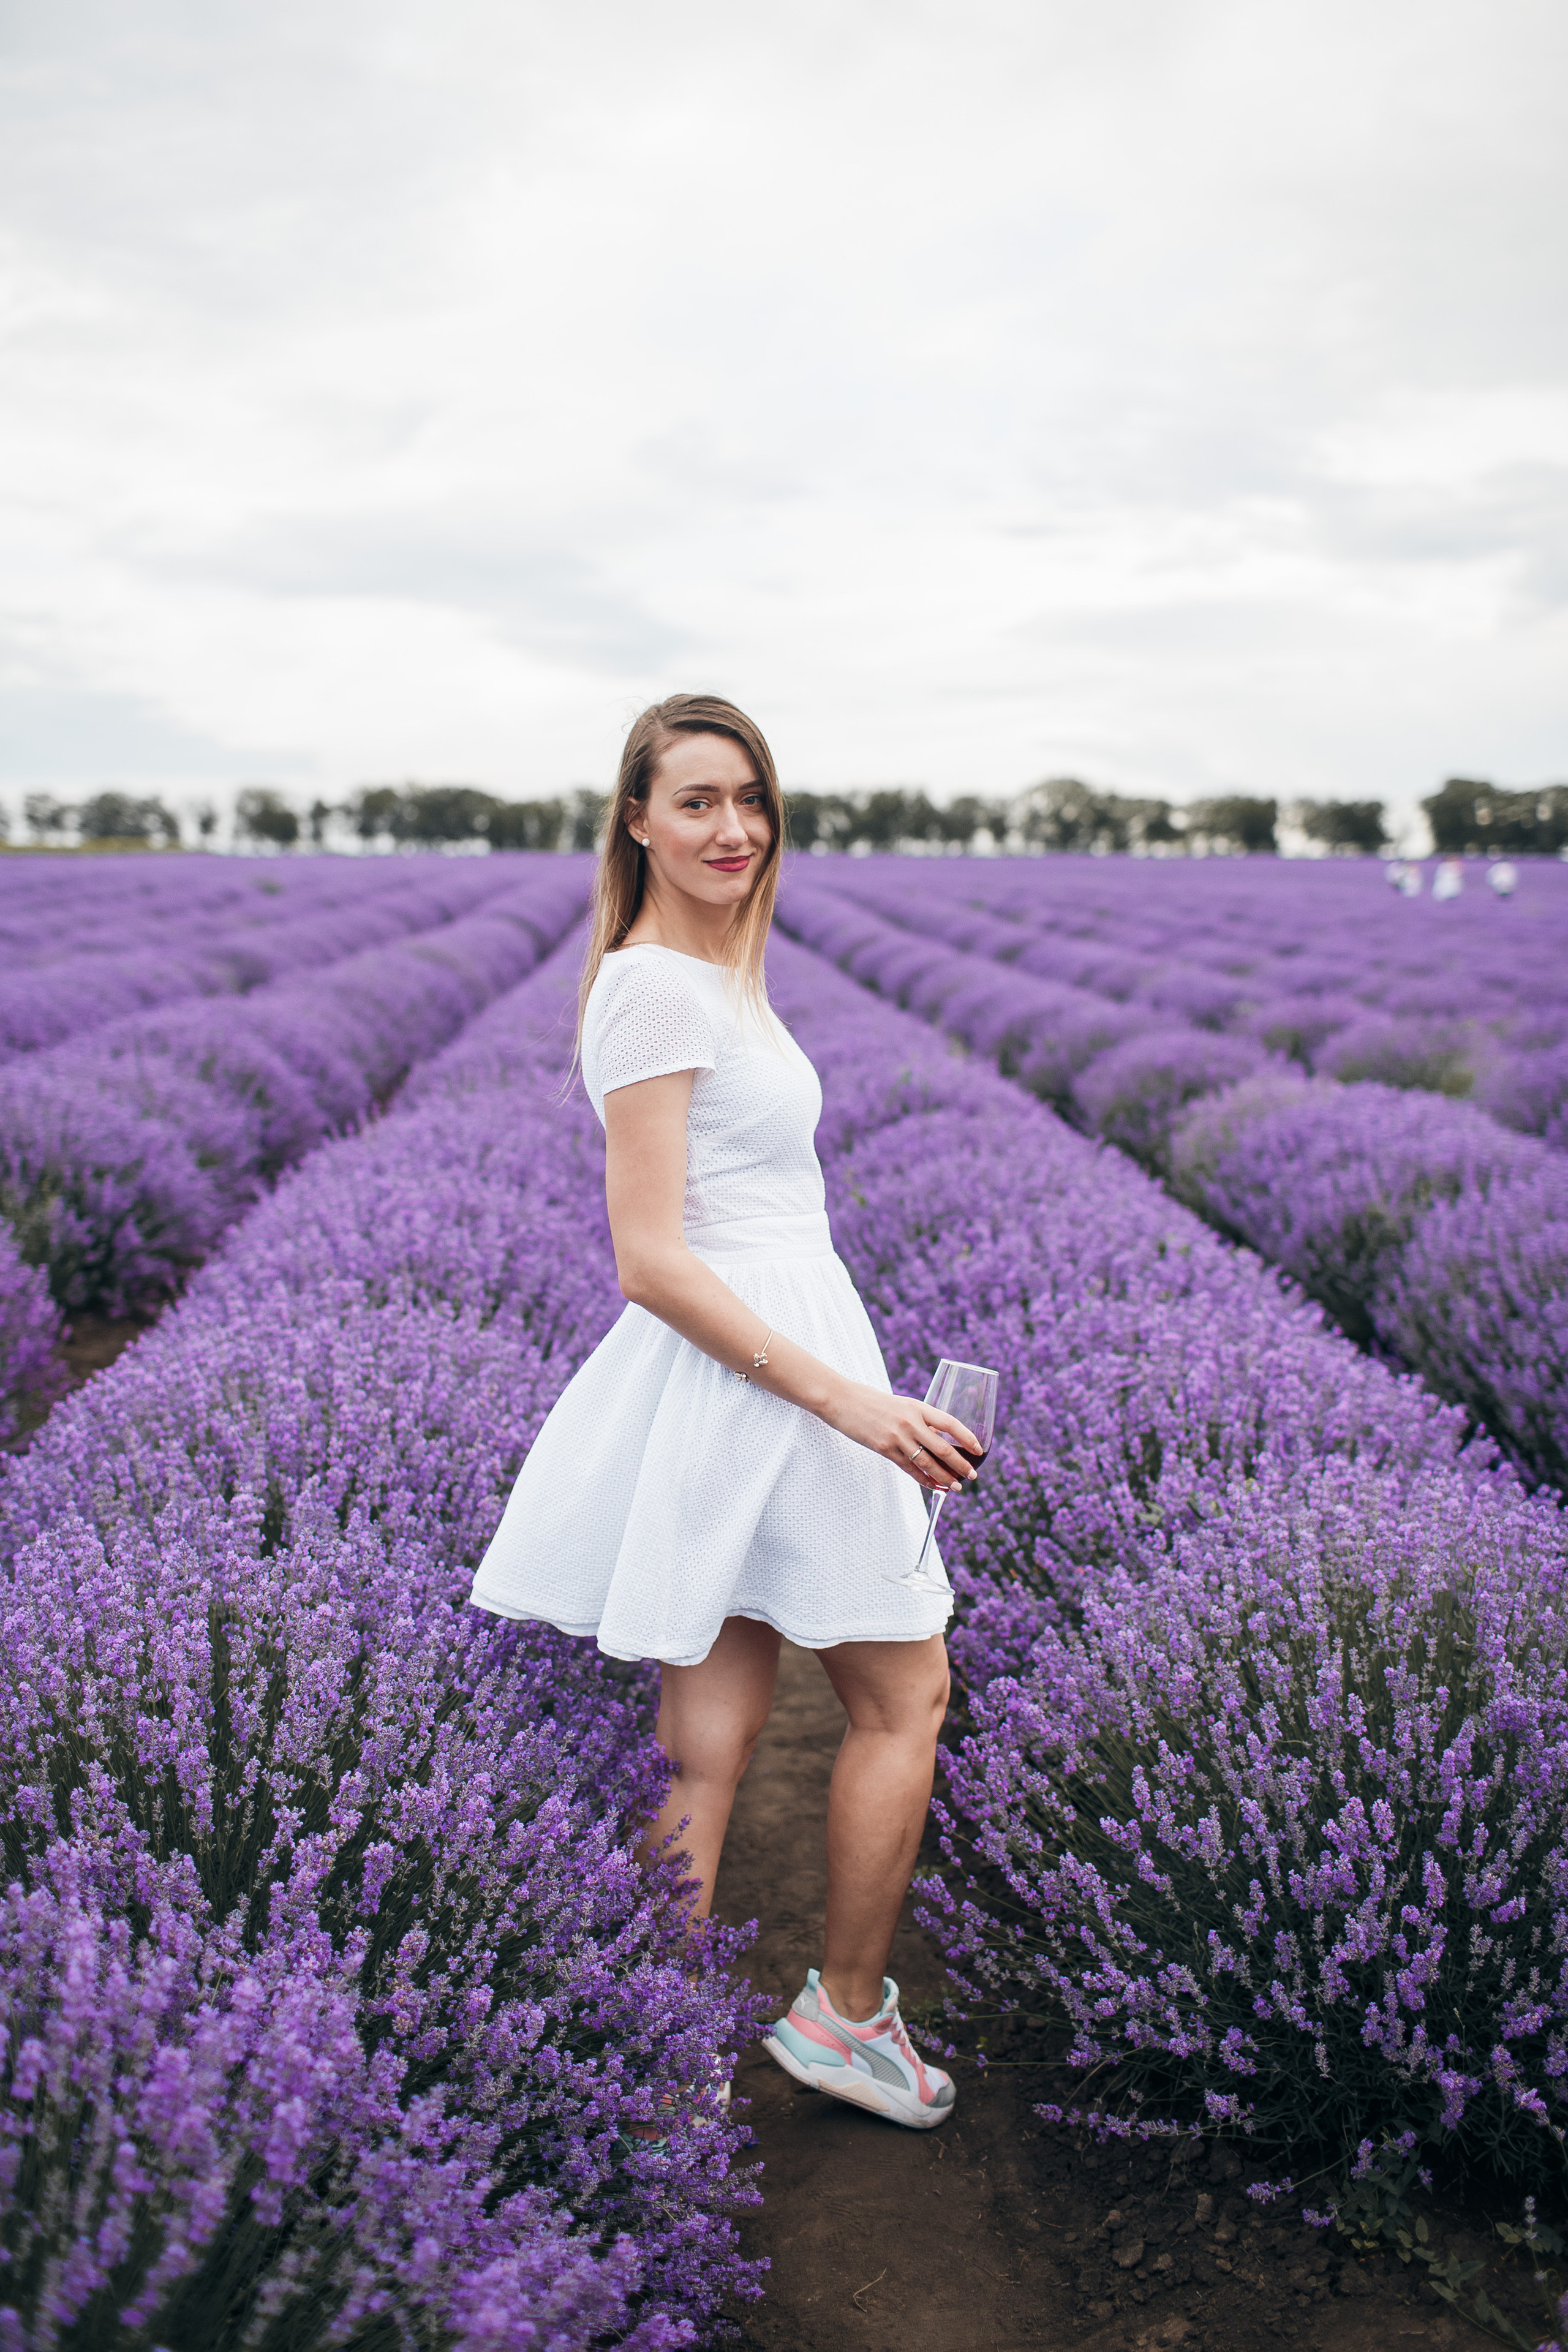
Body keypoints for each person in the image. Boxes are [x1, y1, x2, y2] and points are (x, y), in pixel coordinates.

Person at [469, 693, 977, 2132]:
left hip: (769, 1364)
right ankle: (845, 2017)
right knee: (902, 1694)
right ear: (634, 819)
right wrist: (851, 1407)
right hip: (765, 1378)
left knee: (714, 1730)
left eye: (748, 798)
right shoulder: (650, 984)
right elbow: (648, 1258)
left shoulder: (715, 973)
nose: (731, 827)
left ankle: (657, 2052)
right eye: (693, 800)